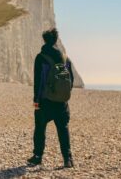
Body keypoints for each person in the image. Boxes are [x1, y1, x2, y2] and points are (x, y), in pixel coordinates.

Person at [27, 28, 74, 168]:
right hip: (62, 102)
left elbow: (38, 81)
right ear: (55, 40)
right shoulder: (65, 58)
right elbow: (70, 79)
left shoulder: (41, 57)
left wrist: (36, 100)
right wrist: (63, 95)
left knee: (40, 128)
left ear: (44, 40)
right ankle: (68, 159)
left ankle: (37, 156)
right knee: (63, 129)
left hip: (45, 101)